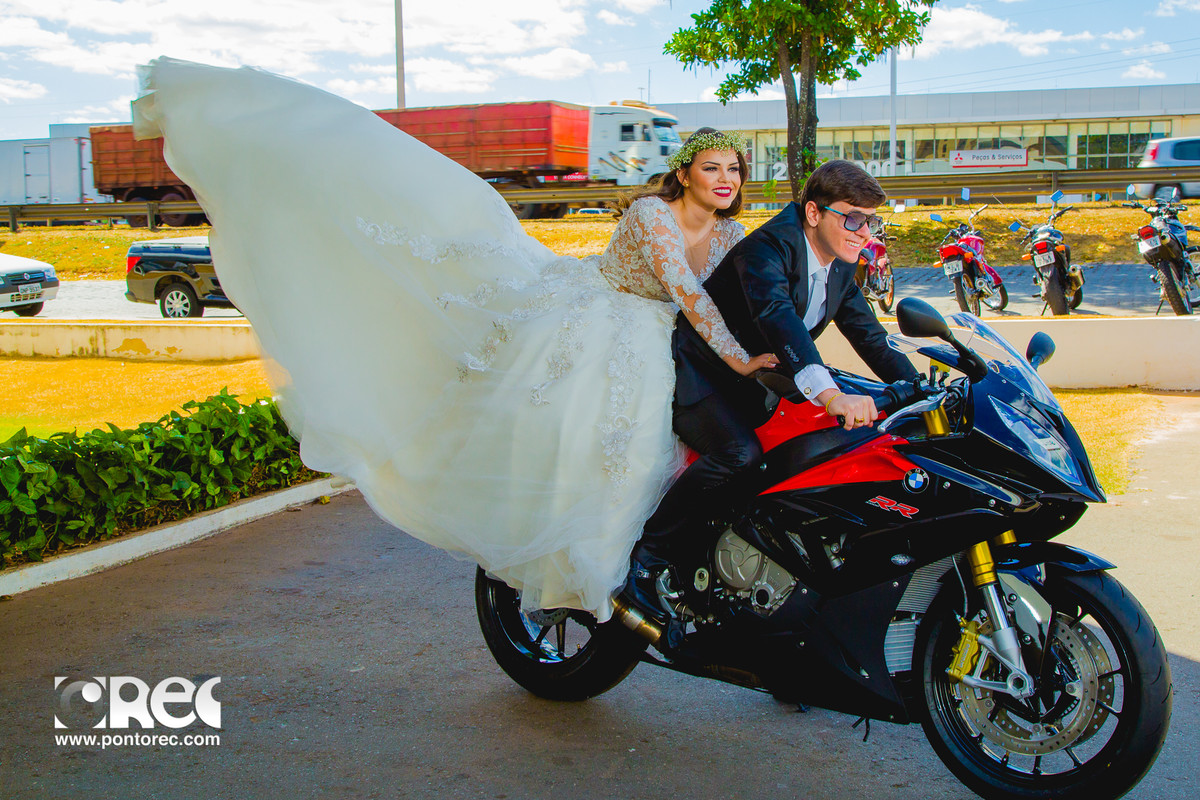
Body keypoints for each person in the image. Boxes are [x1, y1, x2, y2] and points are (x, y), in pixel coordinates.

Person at [131, 57, 771, 623]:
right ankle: (600, 573)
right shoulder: (652, 214)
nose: (725, 179)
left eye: (734, 171)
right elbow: (689, 291)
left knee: (660, 452)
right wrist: (741, 359)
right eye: (711, 166)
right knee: (587, 444)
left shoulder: (730, 237)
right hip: (602, 318)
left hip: (661, 338)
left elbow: (740, 300)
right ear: (684, 174)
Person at [625, 160, 921, 623]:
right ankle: (646, 561)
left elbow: (870, 336)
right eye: (854, 218)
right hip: (700, 375)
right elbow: (777, 317)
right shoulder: (767, 248)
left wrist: (920, 387)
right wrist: (830, 395)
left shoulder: (840, 263)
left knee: (815, 458)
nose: (865, 232)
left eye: (872, 221)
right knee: (739, 454)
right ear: (813, 213)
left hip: (757, 383)